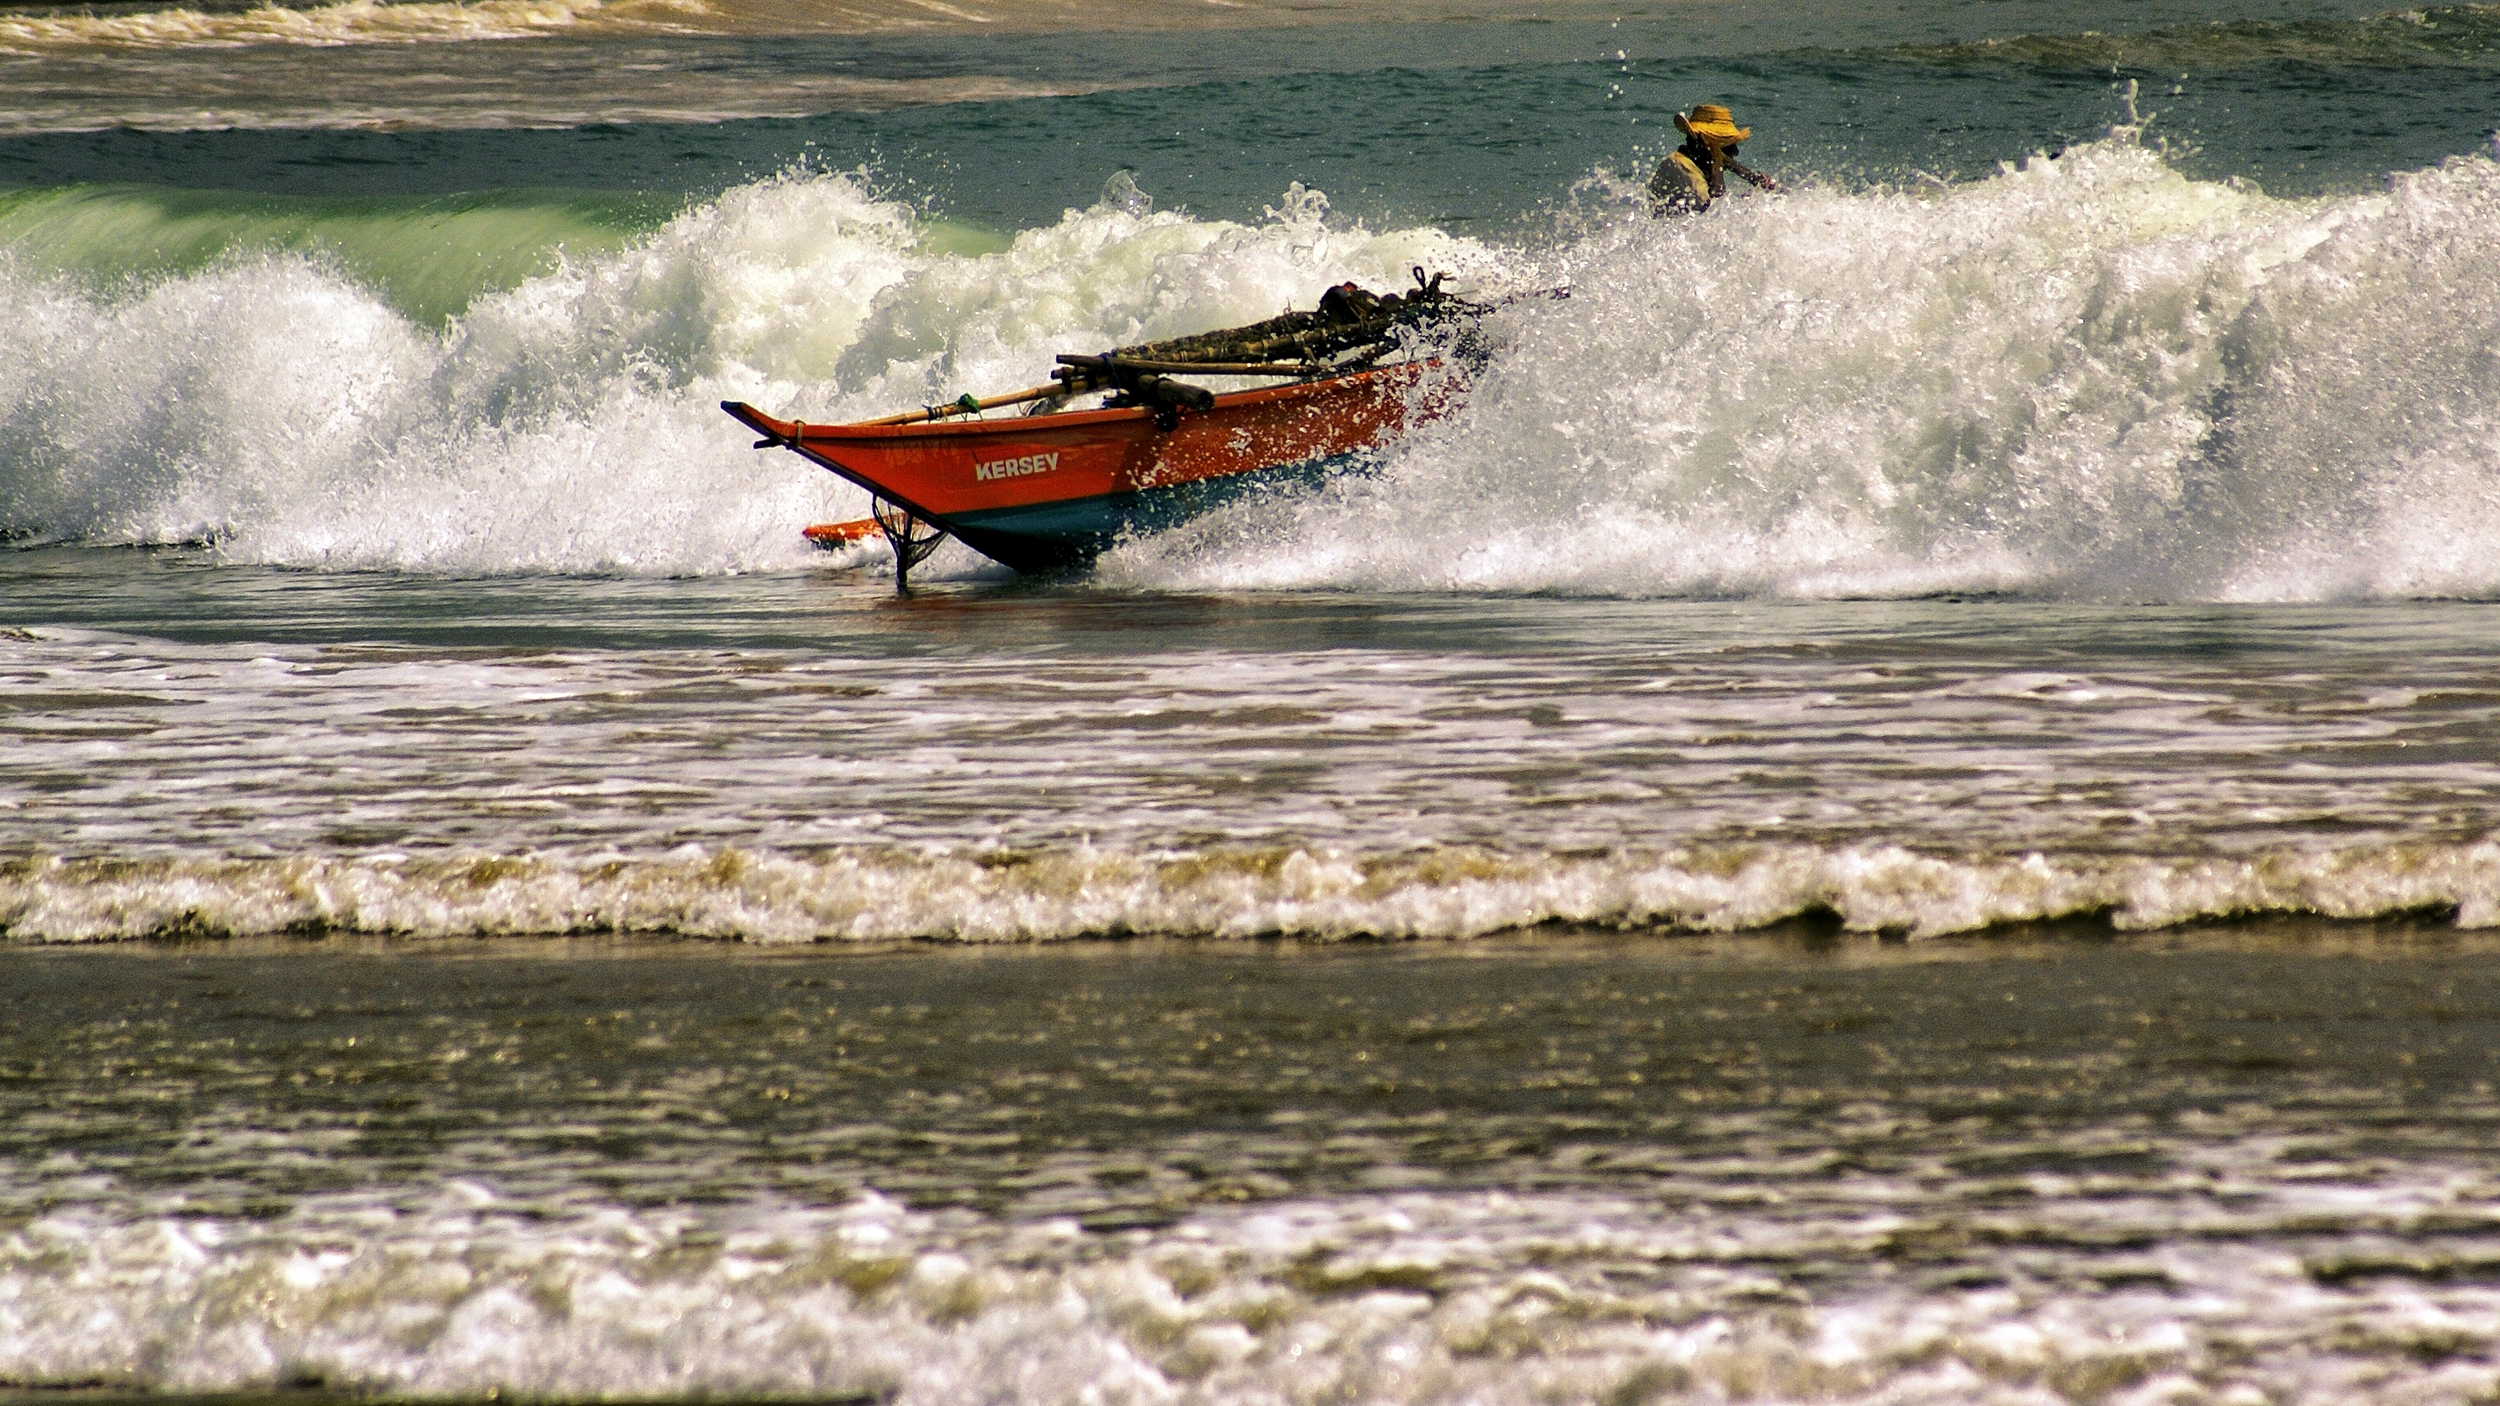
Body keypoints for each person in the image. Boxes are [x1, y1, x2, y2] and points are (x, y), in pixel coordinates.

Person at [1649, 103, 1780, 215]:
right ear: (1708, 147)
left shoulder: (1691, 163)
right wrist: (1716, 161)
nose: (1735, 151)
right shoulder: (1680, 165)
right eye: (1728, 145)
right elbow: (1714, 211)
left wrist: (1754, 184)